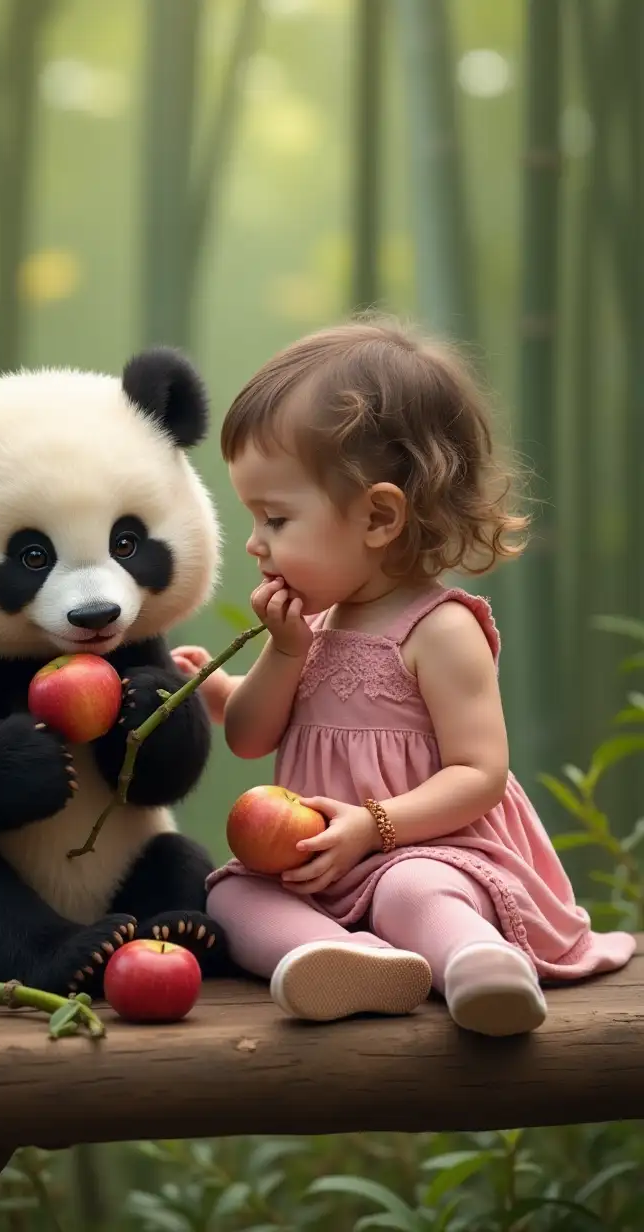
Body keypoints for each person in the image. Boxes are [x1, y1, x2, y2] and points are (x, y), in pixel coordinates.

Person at [172, 318, 636, 1037]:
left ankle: (477, 962)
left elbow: (479, 773)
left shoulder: (439, 630)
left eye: (275, 518)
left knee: (414, 889)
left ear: (379, 517)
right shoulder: (314, 629)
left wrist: (375, 827)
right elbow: (251, 736)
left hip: (429, 850)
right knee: (230, 898)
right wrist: (249, 673)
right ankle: (341, 958)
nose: (257, 544)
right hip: (323, 869)